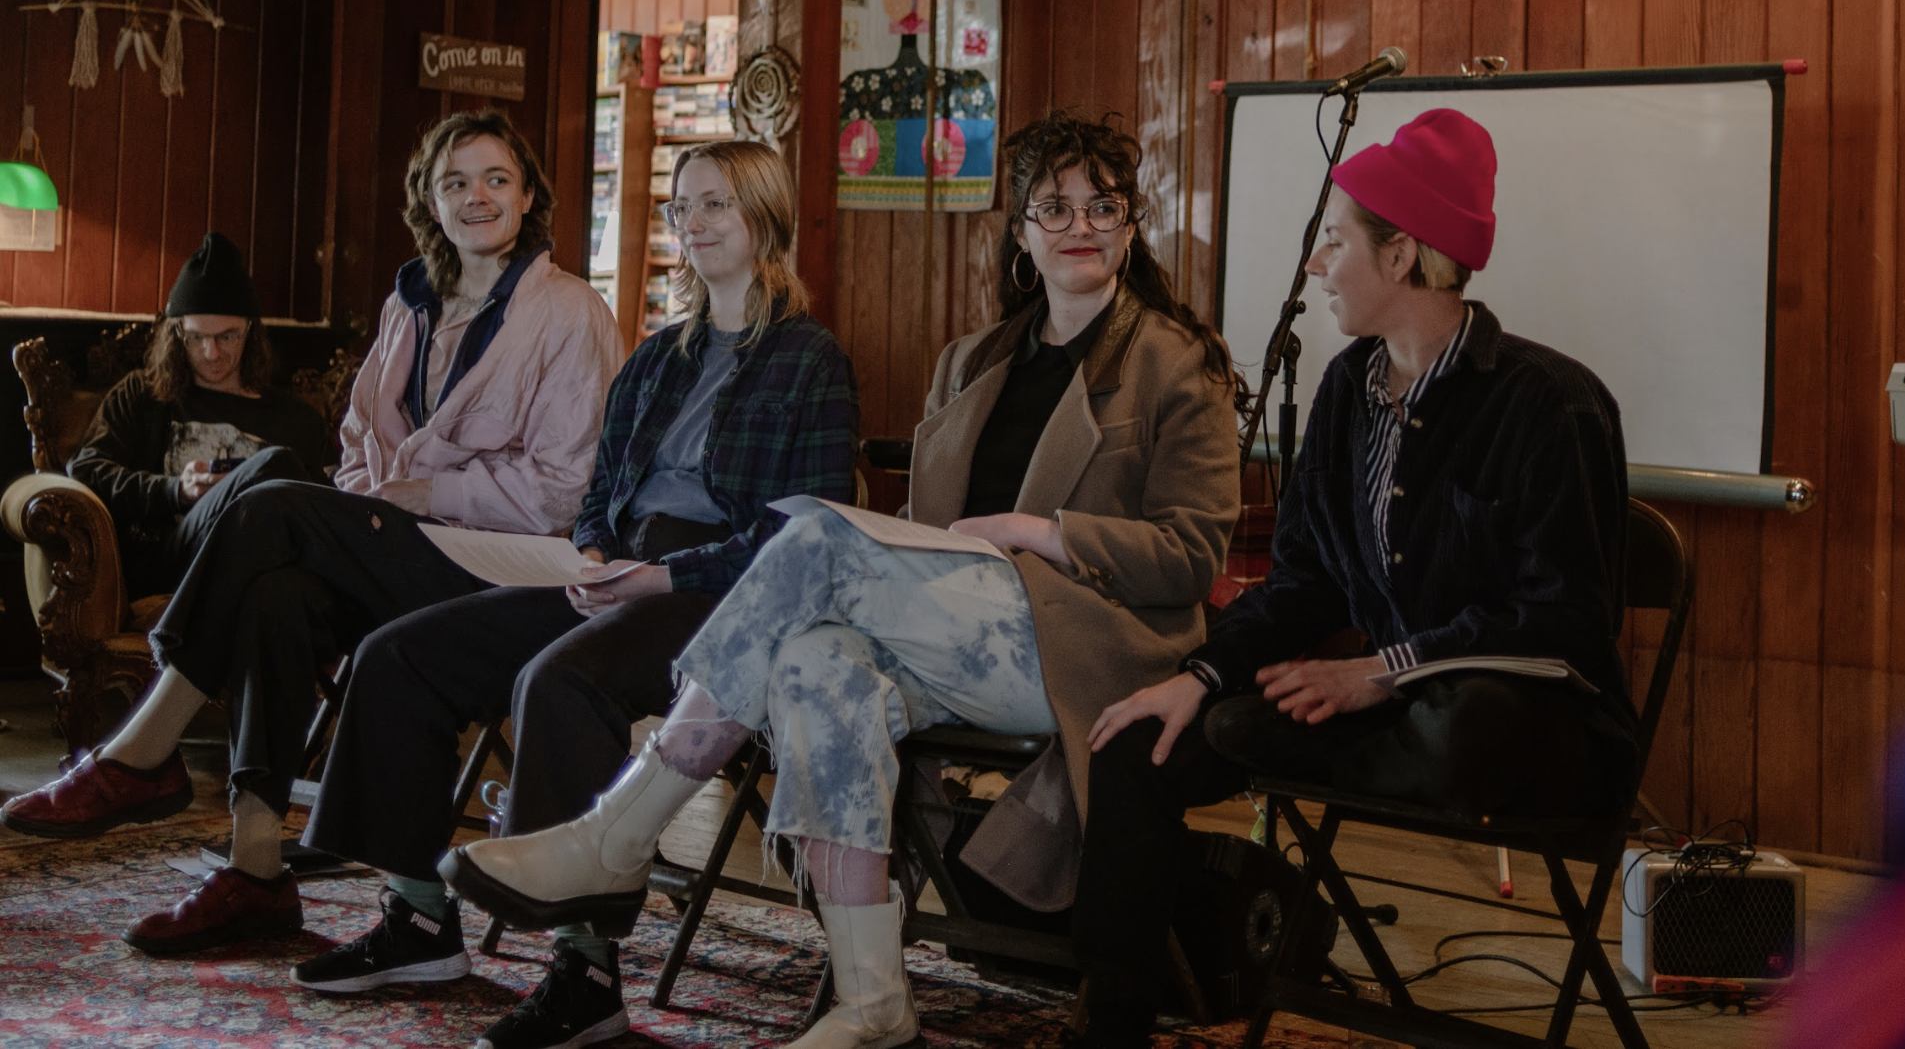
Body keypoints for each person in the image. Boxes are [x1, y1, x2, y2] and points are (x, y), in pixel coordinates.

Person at [441, 111, 1241, 1049]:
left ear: (1131, 225)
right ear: (1021, 232)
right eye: (1054, 208)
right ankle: (873, 1002)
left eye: (1103, 207)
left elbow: (1191, 554)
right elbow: (929, 538)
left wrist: (1040, 532)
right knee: (813, 664)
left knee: (813, 532)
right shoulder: (972, 362)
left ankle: (616, 834)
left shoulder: (1176, 363)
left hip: (1080, 645)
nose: (1081, 226)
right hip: (955, 629)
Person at [1067, 108, 1642, 1046]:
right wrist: (1201, 676)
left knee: (1466, 723)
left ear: (1402, 254)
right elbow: (1306, 584)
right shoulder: (1346, 391)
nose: (1315, 264)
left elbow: (1566, 622)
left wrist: (1383, 671)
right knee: (1143, 736)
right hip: (1384, 716)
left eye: (1334, 241)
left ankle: (1298, 734)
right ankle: (1115, 1026)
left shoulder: (1552, 404)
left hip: (1524, 726)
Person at [0, 109, 622, 960]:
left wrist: (415, 493)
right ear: (430, 203)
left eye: (496, 179)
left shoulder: (570, 311)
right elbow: (359, 443)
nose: (476, 196)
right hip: (400, 548)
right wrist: (374, 501)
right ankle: (257, 870)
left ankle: (142, 751)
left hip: (501, 569)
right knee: (277, 594)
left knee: (273, 502)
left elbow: (562, 491)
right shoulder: (409, 304)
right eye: (455, 182)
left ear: (526, 197)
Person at [288, 142, 859, 1049]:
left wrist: (660, 576)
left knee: (560, 680)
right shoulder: (657, 356)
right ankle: (419, 918)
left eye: (717, 203)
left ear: (765, 216)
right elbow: (599, 495)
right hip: (613, 570)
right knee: (400, 654)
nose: (696, 222)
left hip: (729, 595)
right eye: (683, 206)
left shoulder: (809, 358)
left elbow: (808, 531)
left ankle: (585, 975)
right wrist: (593, 553)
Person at [67, 232, 330, 597]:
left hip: (264, 574)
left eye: (227, 336)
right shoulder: (142, 396)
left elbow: (321, 515)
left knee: (284, 577)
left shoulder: (295, 418)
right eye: (196, 337)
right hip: (174, 560)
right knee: (275, 464)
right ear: (176, 334)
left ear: (250, 331)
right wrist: (175, 491)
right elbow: (86, 470)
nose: (211, 353)